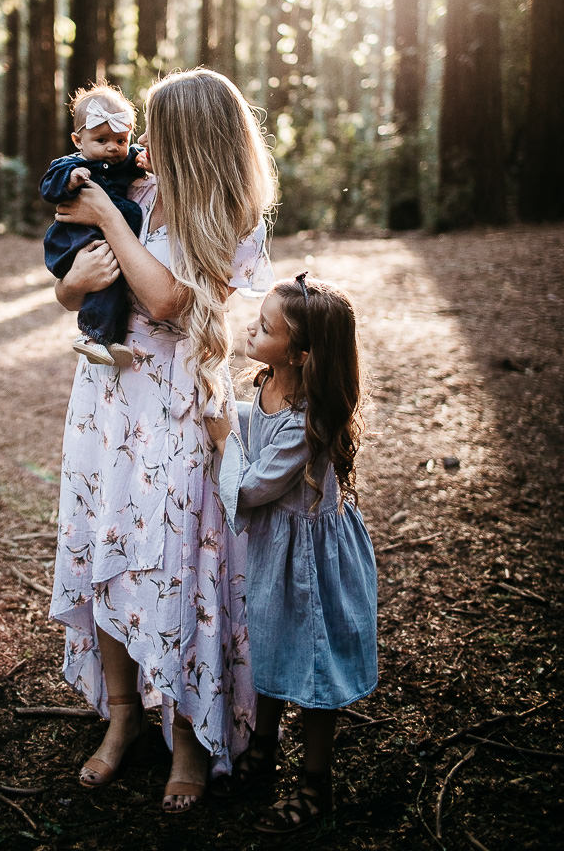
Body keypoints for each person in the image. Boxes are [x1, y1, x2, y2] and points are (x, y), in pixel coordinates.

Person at [48, 68, 277, 812]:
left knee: (176, 563)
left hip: (176, 406)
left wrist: (109, 222)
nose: (139, 142)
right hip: (107, 398)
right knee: (104, 543)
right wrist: (71, 285)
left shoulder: (231, 213)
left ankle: (186, 733)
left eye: (154, 129)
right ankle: (121, 720)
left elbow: (169, 300)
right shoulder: (135, 191)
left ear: (190, 139)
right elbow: (73, 275)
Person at [206, 272, 378, 836]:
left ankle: (314, 783)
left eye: (265, 328)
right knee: (275, 645)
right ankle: (261, 751)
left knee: (314, 663)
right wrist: (218, 404)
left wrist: (222, 434)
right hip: (279, 550)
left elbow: (254, 486)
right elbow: (252, 418)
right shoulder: (269, 383)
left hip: (311, 559)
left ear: (302, 354)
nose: (251, 329)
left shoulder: (309, 419)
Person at [39, 84, 148, 368]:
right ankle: (92, 337)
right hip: (77, 241)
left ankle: (109, 338)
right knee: (107, 282)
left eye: (121, 140)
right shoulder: (67, 165)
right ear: (78, 141)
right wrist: (72, 179)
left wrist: (145, 160)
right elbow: (48, 188)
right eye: (101, 140)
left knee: (116, 284)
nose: (113, 148)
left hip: (107, 239)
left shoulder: (124, 160)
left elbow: (140, 161)